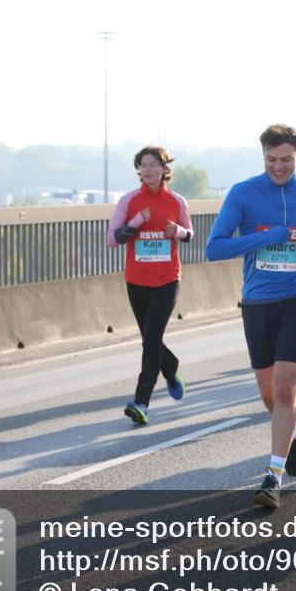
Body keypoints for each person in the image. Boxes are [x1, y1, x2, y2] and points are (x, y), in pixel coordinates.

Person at [205, 124, 296, 509]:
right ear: (263, 155)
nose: (278, 167)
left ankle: (272, 477)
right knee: (269, 395)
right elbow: (214, 249)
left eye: (286, 160)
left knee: (285, 390)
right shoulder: (243, 193)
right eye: (271, 160)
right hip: (257, 303)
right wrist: (269, 236)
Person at [106, 145, 193, 424]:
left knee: (151, 340)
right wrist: (135, 222)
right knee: (150, 338)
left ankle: (141, 402)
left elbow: (189, 233)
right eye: (143, 165)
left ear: (165, 169)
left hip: (167, 279)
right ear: (138, 170)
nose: (148, 169)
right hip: (137, 279)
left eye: (154, 164)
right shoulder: (129, 201)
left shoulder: (177, 201)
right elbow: (112, 239)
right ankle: (171, 366)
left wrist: (176, 231)